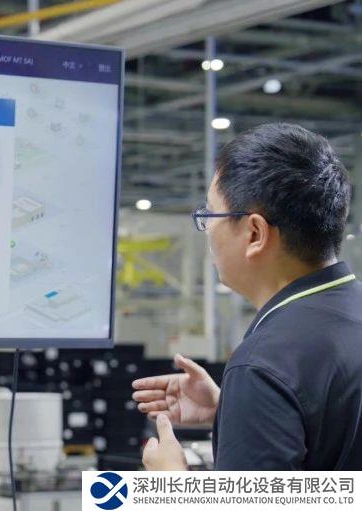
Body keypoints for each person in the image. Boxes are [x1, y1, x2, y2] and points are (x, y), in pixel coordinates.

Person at [132, 123, 362, 470]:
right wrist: (234, 412)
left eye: (210, 214)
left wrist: (173, 482)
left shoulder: (264, 362)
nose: (207, 229)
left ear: (255, 233)